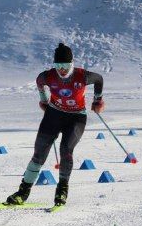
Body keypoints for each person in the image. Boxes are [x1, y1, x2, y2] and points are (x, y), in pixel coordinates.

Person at [6, 43, 104, 207]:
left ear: (71, 63)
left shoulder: (83, 76)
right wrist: (44, 101)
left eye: (65, 65)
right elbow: (39, 83)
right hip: (54, 115)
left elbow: (99, 79)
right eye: (58, 65)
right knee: (38, 154)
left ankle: (62, 190)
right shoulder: (47, 76)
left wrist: (97, 100)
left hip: (76, 118)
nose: (62, 69)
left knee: (66, 149)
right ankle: (23, 192)